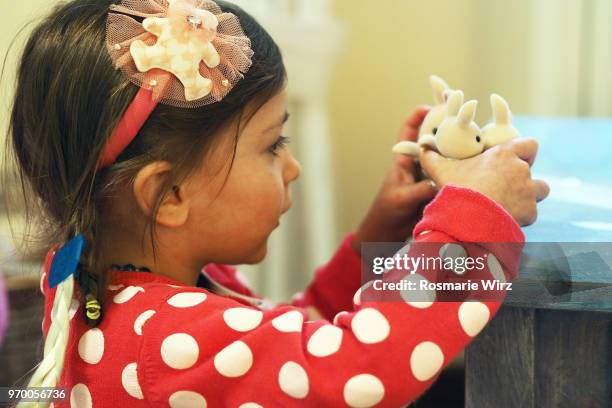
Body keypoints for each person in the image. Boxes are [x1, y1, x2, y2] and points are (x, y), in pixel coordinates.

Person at [6, 0, 549, 407]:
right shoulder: (165, 337)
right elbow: (363, 369)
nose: (292, 167)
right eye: (273, 145)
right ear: (167, 195)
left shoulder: (99, 275)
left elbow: (290, 338)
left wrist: (376, 231)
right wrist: (474, 217)